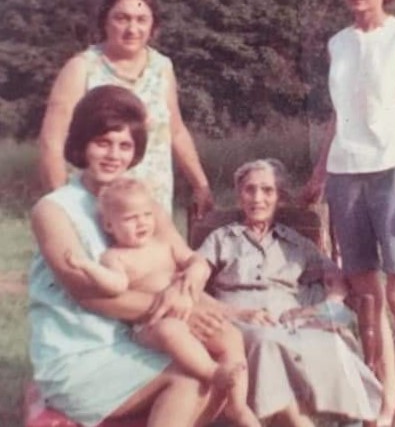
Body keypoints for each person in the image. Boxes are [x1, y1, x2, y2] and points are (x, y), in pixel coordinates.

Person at [29, 85, 226, 427]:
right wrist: (177, 311)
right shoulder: (54, 209)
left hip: (133, 341)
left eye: (125, 146)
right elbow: (88, 295)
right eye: (102, 143)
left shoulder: (138, 201)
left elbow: (188, 259)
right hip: (78, 354)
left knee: (216, 367)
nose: (113, 155)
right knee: (193, 376)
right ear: (82, 144)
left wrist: (191, 281)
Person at [304, 0, 395, 427]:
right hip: (345, 175)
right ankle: (385, 397)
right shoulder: (338, 43)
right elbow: (340, 115)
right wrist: (320, 171)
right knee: (367, 297)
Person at [198, 158, 382, 426]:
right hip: (239, 325)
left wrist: (326, 306)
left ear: (279, 198)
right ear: (239, 196)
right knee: (265, 341)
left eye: (267, 190)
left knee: (330, 342)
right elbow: (192, 284)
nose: (257, 198)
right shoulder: (222, 239)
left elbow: (336, 278)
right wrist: (238, 313)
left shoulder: (297, 244)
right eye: (250, 190)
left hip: (289, 325)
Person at [66, 176, 260, 427]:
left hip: (188, 315)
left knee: (231, 335)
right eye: (130, 218)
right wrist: (87, 267)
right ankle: (212, 372)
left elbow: (194, 260)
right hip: (151, 325)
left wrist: (194, 269)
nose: (142, 223)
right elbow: (115, 285)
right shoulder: (115, 257)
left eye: (147, 214)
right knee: (172, 330)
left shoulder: (164, 245)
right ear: (109, 225)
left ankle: (237, 404)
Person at [38, 0, 212, 217]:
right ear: (105, 22)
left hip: (151, 204)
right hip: (95, 205)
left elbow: (176, 131)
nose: (132, 29)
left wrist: (200, 185)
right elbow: (51, 141)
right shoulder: (82, 68)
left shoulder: (162, 67)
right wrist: (61, 204)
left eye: (141, 20)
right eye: (122, 18)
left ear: (153, 26)